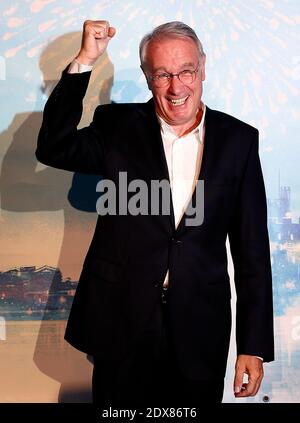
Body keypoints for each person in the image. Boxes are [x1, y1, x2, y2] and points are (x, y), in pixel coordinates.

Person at [36, 20, 274, 405]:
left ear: (203, 69)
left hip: (201, 327)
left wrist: (254, 345)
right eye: (163, 74)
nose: (176, 87)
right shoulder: (116, 126)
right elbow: (53, 147)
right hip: (121, 322)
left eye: (186, 72)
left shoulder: (238, 140)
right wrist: (85, 60)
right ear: (148, 77)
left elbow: (252, 254)